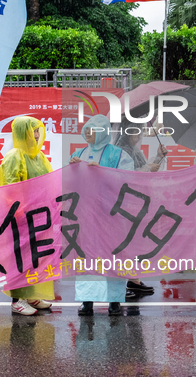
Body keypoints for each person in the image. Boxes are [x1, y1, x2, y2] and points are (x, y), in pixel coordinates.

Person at [70, 114, 134, 316]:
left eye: (92, 130)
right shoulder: (78, 153)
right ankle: (86, 299)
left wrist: (104, 172)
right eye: (86, 129)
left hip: (112, 215)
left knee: (114, 257)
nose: (87, 133)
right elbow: (70, 182)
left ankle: (114, 300)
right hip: (86, 214)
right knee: (86, 257)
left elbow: (128, 180)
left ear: (103, 132)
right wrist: (71, 168)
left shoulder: (118, 155)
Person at [0, 116, 55, 316]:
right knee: (19, 258)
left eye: (38, 131)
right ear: (22, 134)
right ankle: (17, 300)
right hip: (20, 218)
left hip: (38, 217)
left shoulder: (39, 156)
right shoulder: (15, 156)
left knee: (35, 257)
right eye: (32, 131)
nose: (36, 135)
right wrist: (20, 213)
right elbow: (10, 188)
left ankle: (31, 295)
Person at [114, 124, 168, 297]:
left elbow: (145, 170)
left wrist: (158, 158)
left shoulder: (135, 151)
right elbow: (125, 176)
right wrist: (147, 168)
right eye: (134, 132)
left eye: (139, 132)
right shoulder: (120, 151)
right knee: (125, 243)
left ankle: (133, 280)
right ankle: (127, 281)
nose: (137, 136)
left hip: (136, 203)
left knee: (133, 243)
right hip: (124, 204)